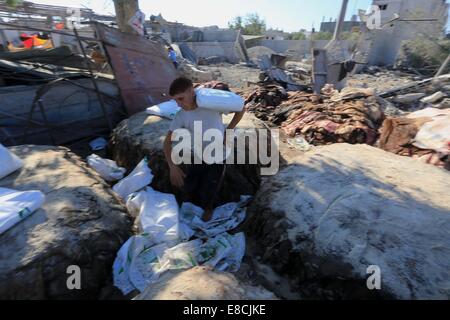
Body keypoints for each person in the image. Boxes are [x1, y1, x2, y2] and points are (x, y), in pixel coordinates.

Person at [163, 77, 245, 221]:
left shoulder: (211, 105)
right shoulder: (181, 116)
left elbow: (241, 109)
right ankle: (194, 207)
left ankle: (209, 208)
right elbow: (167, 143)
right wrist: (172, 166)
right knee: (190, 186)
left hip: (218, 155)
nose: (178, 104)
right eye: (175, 100)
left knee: (211, 187)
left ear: (191, 91)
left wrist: (229, 130)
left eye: (181, 99)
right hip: (198, 155)